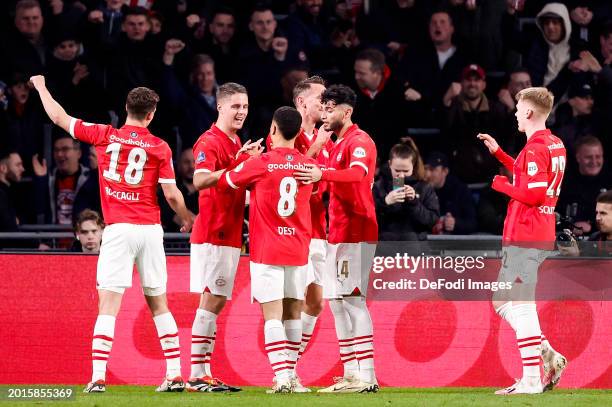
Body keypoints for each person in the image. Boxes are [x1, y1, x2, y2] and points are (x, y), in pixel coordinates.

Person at [30, 75, 194, 393]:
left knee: (108, 305)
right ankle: (174, 374)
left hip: (118, 230)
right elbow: (173, 195)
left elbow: (59, 117)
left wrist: (41, 87)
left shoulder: (105, 135)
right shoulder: (160, 147)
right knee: (159, 303)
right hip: (149, 230)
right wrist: (187, 218)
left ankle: (98, 377)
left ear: (126, 109)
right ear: (151, 114)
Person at [477, 86, 568, 395]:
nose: (515, 113)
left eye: (518, 109)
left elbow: (532, 193)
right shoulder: (554, 143)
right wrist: (500, 154)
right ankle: (548, 355)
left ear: (528, 112)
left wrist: (502, 186)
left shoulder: (535, 148)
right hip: (537, 231)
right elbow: (532, 176)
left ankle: (530, 380)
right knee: (501, 299)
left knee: (521, 303)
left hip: (527, 234)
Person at [218, 106, 315, 393]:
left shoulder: (260, 164)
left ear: (273, 130)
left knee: (272, 315)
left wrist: (242, 160)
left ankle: (282, 377)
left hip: (267, 249)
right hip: (298, 249)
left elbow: (226, 183)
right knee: (293, 314)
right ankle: (292, 376)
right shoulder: (307, 166)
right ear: (298, 133)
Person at [294, 84, 379, 393]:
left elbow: (357, 175)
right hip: (339, 232)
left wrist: (323, 174)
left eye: (332, 109)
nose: (326, 114)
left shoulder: (359, 141)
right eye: (324, 108)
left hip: (357, 230)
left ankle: (366, 375)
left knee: (354, 301)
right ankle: (352, 372)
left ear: (347, 112)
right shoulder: (337, 143)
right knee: (337, 302)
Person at [187, 82, 262, 392]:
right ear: (220, 107)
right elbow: (201, 179)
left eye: (245, 106)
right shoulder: (209, 141)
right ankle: (196, 374)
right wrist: (239, 166)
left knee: (215, 301)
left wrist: (243, 164)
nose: (241, 111)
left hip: (229, 232)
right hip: (214, 232)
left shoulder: (235, 142)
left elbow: (234, 184)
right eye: (235, 106)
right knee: (211, 300)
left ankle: (204, 372)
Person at [265, 76, 331, 390]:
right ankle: (287, 372)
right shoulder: (285, 139)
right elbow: (301, 183)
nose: (326, 103)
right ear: (302, 103)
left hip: (321, 229)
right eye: (321, 98)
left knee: (316, 303)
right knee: (290, 304)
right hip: (295, 235)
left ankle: (290, 367)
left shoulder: (326, 139)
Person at [373, 138, 439, 241]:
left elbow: (432, 221)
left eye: (406, 170)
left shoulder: (424, 187)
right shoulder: (378, 186)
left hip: (415, 249)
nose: (401, 175)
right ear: (390, 164)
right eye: (397, 170)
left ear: (413, 165)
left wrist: (414, 202)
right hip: (384, 249)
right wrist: (385, 202)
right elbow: (365, 221)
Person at [424, 151, 477, 235]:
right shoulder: (420, 189)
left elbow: (473, 223)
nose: (427, 174)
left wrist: (455, 223)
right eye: (425, 169)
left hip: (454, 244)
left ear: (445, 171)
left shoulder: (460, 190)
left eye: (432, 170)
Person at [0, 151, 25, 233]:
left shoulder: (9, 191)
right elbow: (8, 227)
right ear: (3, 168)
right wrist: (36, 244)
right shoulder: (2, 193)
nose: (23, 169)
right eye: (18, 165)